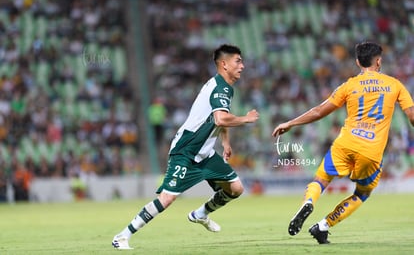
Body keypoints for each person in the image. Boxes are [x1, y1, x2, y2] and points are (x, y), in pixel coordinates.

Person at [112, 44, 260, 249]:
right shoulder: (221, 87)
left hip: (205, 154)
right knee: (166, 199)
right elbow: (220, 119)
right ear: (224, 64)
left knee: (236, 188)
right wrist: (246, 119)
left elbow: (221, 117)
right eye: (238, 61)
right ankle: (122, 236)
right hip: (186, 151)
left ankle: (201, 214)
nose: (242, 66)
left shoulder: (224, 87)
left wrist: (225, 142)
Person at [272, 41, 414, 244]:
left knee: (321, 179)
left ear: (358, 62)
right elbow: (412, 117)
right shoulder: (395, 85)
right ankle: (324, 225)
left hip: (345, 143)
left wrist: (291, 123)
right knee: (361, 194)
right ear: (379, 61)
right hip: (371, 151)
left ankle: (309, 201)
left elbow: (319, 111)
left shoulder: (349, 85)